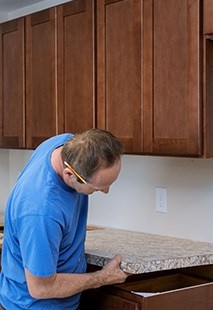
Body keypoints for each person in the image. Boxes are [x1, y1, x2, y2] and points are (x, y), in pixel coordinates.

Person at [0, 129, 129, 310]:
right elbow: (41, 288)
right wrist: (102, 278)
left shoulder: (68, 145)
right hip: (32, 306)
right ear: (69, 175)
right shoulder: (41, 212)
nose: (106, 191)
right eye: (98, 188)